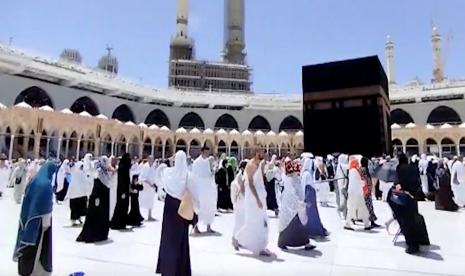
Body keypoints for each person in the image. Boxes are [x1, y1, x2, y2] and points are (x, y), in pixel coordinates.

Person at [13, 161, 57, 276]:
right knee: (37, 247)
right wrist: (46, 223)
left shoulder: (35, 180)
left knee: (28, 247)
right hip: (39, 221)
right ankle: (34, 271)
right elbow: (45, 206)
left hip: (28, 217)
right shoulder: (46, 183)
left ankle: (25, 269)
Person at [156, 151, 194, 276]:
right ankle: (180, 270)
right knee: (180, 240)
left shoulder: (168, 173)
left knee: (168, 238)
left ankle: (167, 269)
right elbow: (193, 192)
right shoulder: (187, 175)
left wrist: (168, 160)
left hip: (169, 209)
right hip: (181, 209)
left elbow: (160, 170)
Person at [388, 153, 430, 254]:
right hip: (413, 196)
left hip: (405, 198)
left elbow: (399, 182)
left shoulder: (399, 168)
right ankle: (422, 240)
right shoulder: (413, 167)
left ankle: (412, 245)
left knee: (407, 222)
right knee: (414, 218)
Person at [235, 148, 271, 256]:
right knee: (253, 222)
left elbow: (261, 179)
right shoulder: (251, 165)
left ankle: (261, 246)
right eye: (262, 153)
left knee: (262, 222)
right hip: (253, 199)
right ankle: (238, 239)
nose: (264, 154)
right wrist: (257, 200)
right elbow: (250, 184)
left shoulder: (259, 164)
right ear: (256, 153)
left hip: (260, 197)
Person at [278, 160, 315, 250]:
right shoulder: (292, 180)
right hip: (293, 210)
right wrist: (302, 204)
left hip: (292, 209)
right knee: (296, 227)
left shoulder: (291, 178)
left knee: (291, 227)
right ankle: (304, 243)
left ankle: (303, 243)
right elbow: (293, 196)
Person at [77, 156, 112, 243]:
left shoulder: (105, 172)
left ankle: (101, 233)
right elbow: (97, 185)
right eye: (106, 162)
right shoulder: (99, 172)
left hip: (104, 200)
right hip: (98, 200)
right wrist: (96, 198)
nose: (108, 163)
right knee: (96, 216)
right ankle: (94, 234)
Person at [190, 146, 217, 234]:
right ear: (202, 152)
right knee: (198, 208)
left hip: (208, 189)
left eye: (208, 153)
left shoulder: (208, 161)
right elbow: (194, 176)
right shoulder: (197, 162)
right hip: (200, 189)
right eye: (205, 152)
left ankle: (208, 226)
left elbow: (211, 173)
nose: (207, 154)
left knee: (209, 207)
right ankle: (195, 227)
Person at [301, 157, 329, 238]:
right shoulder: (307, 174)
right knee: (312, 215)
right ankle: (314, 231)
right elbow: (309, 187)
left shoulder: (304, 173)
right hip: (309, 197)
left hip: (308, 197)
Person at [344, 158, 371, 231]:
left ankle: (366, 224)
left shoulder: (353, 171)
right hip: (356, 193)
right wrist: (363, 183)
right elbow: (357, 182)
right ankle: (348, 224)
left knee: (361, 208)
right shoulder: (354, 171)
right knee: (354, 208)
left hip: (356, 193)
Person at [110, 153, 131, 230]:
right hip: (122, 191)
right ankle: (117, 223)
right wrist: (123, 192)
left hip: (125, 190)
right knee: (120, 207)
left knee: (125, 207)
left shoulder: (125, 167)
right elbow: (121, 181)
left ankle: (122, 223)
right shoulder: (122, 168)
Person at [360, 157, 380, 228]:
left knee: (368, 207)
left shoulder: (361, 169)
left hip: (365, 190)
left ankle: (370, 221)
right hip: (366, 191)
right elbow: (366, 180)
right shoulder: (364, 169)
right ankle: (371, 221)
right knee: (369, 207)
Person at [231, 160, 247, 246]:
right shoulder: (240, 176)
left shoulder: (243, 175)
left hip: (241, 201)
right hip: (240, 201)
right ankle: (235, 238)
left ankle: (239, 239)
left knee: (242, 220)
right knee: (239, 221)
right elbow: (241, 189)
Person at [67, 161, 89, 226]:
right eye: (81, 166)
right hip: (75, 194)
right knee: (74, 208)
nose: (82, 167)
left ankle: (79, 218)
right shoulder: (75, 172)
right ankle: (73, 221)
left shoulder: (83, 173)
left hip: (82, 193)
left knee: (81, 207)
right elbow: (70, 168)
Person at [139, 156, 158, 221]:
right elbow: (142, 177)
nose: (152, 161)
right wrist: (149, 184)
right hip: (145, 186)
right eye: (151, 159)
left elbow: (154, 175)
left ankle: (150, 215)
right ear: (148, 159)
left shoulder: (153, 167)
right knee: (142, 200)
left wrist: (154, 184)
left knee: (150, 201)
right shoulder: (145, 166)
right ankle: (139, 214)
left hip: (151, 187)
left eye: (153, 159)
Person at [335, 154, 349, 218]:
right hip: (343, 182)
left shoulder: (339, 165)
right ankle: (343, 212)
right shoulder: (343, 165)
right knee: (344, 198)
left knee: (342, 197)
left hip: (340, 182)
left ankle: (343, 213)